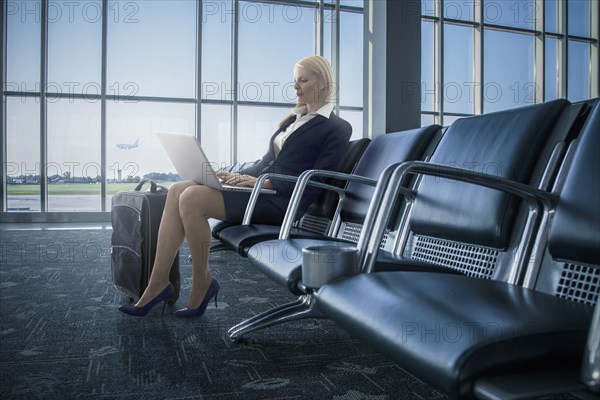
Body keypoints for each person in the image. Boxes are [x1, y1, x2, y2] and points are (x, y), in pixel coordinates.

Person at [119, 55, 352, 317]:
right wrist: (232, 176)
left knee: (192, 197)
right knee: (177, 190)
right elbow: (266, 162)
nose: (296, 86)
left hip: (283, 203)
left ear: (321, 82)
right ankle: (157, 284)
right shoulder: (292, 120)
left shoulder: (337, 127)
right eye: (294, 80)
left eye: (303, 80)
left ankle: (202, 282)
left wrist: (266, 182)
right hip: (261, 192)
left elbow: (318, 178)